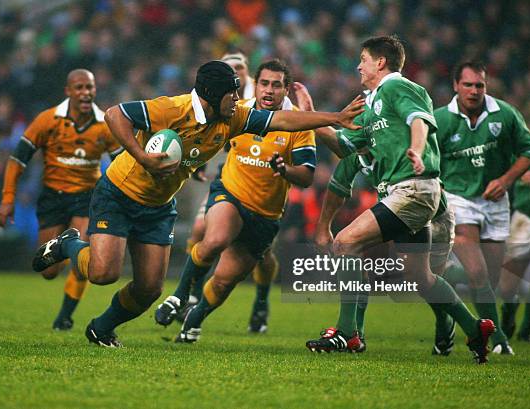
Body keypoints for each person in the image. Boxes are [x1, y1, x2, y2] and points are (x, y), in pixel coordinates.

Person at [31, 60, 364, 347]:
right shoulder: (172, 109)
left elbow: (282, 121)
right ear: (213, 95)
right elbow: (117, 114)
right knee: (104, 273)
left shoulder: (232, 117)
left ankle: (101, 329)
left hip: (159, 206)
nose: (238, 98)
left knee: (148, 290)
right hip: (118, 193)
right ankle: (71, 244)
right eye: (232, 93)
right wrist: (143, 158)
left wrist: (334, 117)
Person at [304, 36, 495, 364]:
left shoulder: (397, 87)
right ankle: (475, 328)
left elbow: (418, 120)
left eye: (363, 59)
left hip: (413, 188)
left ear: (381, 62)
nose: (358, 66)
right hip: (407, 194)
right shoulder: (373, 103)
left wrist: (417, 151)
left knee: (345, 243)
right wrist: (309, 115)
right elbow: (343, 146)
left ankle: (348, 333)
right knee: (421, 277)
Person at [154, 59, 315, 340]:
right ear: (257, 84)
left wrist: (284, 170)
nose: (269, 90)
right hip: (230, 194)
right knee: (214, 239)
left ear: (286, 90)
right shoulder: (238, 112)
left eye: (276, 85)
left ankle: (195, 318)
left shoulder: (298, 124)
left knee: (225, 281)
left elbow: (306, 176)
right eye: (264, 83)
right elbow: (209, 136)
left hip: (265, 215)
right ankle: (180, 296)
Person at [0, 69, 123, 330]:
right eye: (79, 88)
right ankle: (64, 246)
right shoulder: (48, 120)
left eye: (90, 87)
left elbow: (122, 163)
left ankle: (65, 316)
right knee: (49, 271)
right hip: (52, 197)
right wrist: (8, 199)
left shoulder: (104, 124)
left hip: (86, 197)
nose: (85, 93)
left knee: (84, 256)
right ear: (68, 91)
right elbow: (18, 159)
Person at [314, 149, 457, 355]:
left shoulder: (397, 142)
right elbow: (339, 182)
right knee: (356, 251)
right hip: (395, 210)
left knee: (424, 280)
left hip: (433, 214)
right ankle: (355, 333)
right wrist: (323, 225)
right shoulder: (358, 153)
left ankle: (450, 322)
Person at [434, 61, 530, 355]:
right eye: (468, 85)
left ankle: (444, 279)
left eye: (480, 85)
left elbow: (528, 150)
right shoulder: (440, 120)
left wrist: (505, 179)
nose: (474, 91)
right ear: (455, 86)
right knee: (477, 272)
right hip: (458, 200)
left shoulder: (504, 114)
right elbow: (426, 158)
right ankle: (498, 336)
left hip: (495, 202)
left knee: (489, 278)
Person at [499, 168, 530, 343]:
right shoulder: (522, 143)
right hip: (525, 217)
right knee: (508, 283)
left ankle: (526, 331)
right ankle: (508, 316)